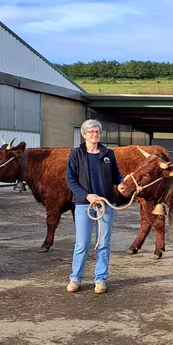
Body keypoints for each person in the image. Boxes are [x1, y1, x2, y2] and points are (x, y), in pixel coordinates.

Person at [66, 119, 123, 294]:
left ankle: (101, 279)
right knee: (82, 243)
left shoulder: (108, 154)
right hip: (85, 205)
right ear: (84, 134)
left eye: (97, 131)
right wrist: (88, 195)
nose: (94, 134)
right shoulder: (76, 154)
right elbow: (71, 180)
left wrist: (123, 184)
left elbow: (116, 176)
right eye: (91, 131)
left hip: (106, 204)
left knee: (104, 243)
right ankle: (75, 278)